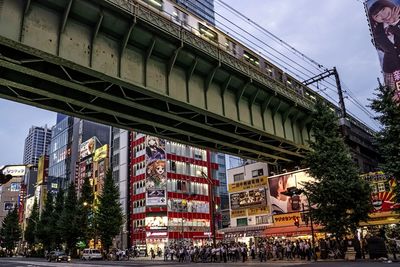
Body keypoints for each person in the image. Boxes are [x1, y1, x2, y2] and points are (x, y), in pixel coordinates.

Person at [369, 0, 400, 90]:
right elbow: (382, 48)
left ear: (388, 5)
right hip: (391, 69)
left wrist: (395, 23)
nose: (382, 15)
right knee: (395, 97)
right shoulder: (377, 32)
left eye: (383, 9)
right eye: (377, 15)